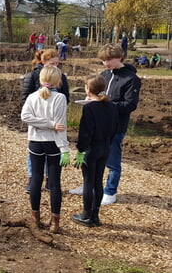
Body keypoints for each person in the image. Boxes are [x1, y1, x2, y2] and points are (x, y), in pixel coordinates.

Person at [69, 44, 141, 205]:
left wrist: (105, 105)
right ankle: (89, 185)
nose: (106, 63)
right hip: (96, 125)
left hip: (115, 126)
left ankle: (110, 191)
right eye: (103, 60)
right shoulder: (104, 74)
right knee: (91, 156)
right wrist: (91, 100)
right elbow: (99, 94)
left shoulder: (131, 79)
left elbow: (130, 105)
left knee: (113, 160)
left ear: (120, 58)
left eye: (109, 60)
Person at [21, 66, 70, 233]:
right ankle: (55, 223)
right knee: (55, 182)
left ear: (41, 80)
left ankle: (35, 217)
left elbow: (26, 117)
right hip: (53, 143)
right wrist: (65, 148)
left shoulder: (32, 97)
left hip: (35, 141)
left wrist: (45, 124)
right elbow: (60, 126)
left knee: (35, 179)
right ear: (58, 81)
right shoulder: (60, 98)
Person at [71, 75, 119, 227]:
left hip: (91, 149)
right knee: (98, 181)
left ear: (88, 89)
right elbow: (115, 128)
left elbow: (85, 132)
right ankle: (95, 215)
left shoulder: (89, 108)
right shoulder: (111, 106)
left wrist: (80, 150)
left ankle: (86, 215)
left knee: (88, 182)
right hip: (105, 147)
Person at [21, 49, 70, 193]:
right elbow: (26, 98)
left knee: (51, 155)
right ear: (43, 63)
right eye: (52, 63)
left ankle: (50, 180)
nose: (55, 66)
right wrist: (44, 120)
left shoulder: (61, 77)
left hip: (54, 124)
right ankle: (33, 179)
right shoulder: (33, 76)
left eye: (57, 63)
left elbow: (65, 97)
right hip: (38, 126)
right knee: (34, 154)